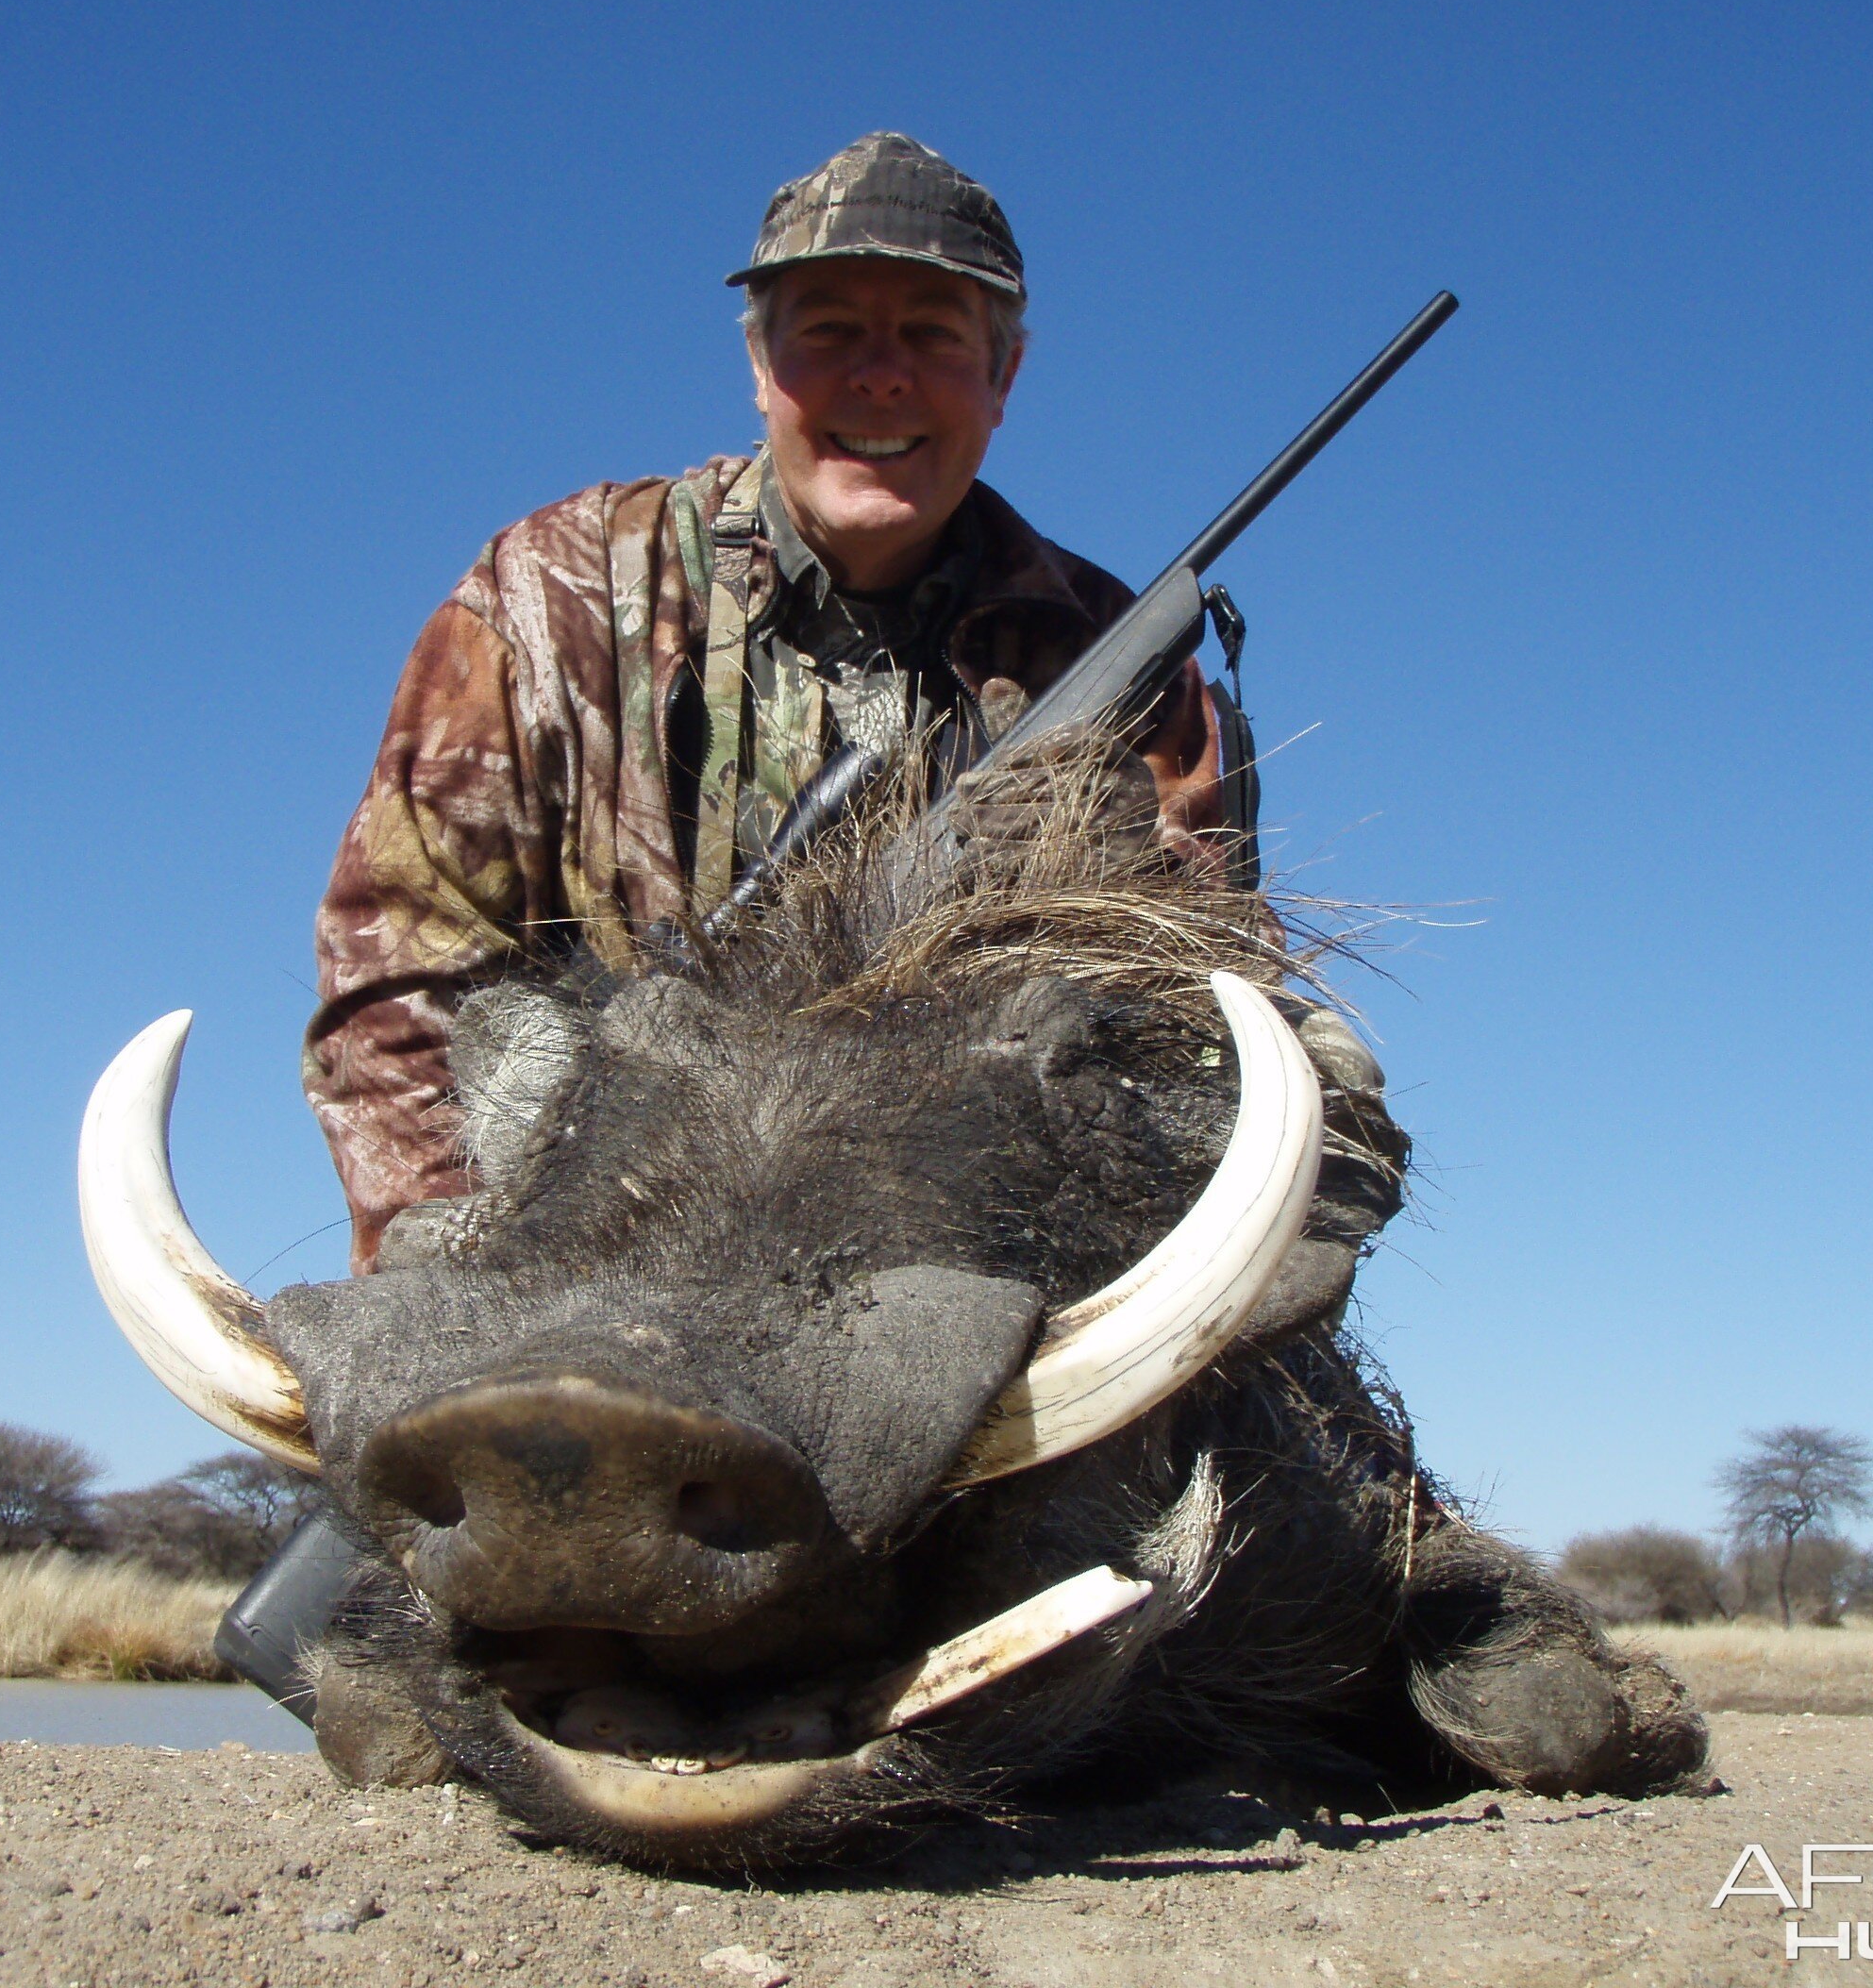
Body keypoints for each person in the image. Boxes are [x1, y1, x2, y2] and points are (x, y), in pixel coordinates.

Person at [303, 133, 1240, 1262]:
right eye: (831, 330)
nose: (880, 374)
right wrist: (486, 1284)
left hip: (991, 1276)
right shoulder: (553, 593)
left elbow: (1212, 1006)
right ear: (759, 367)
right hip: (592, 1273)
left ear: (1005, 378)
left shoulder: (1120, 660)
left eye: (934, 335)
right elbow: (400, 973)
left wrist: (1150, 903)